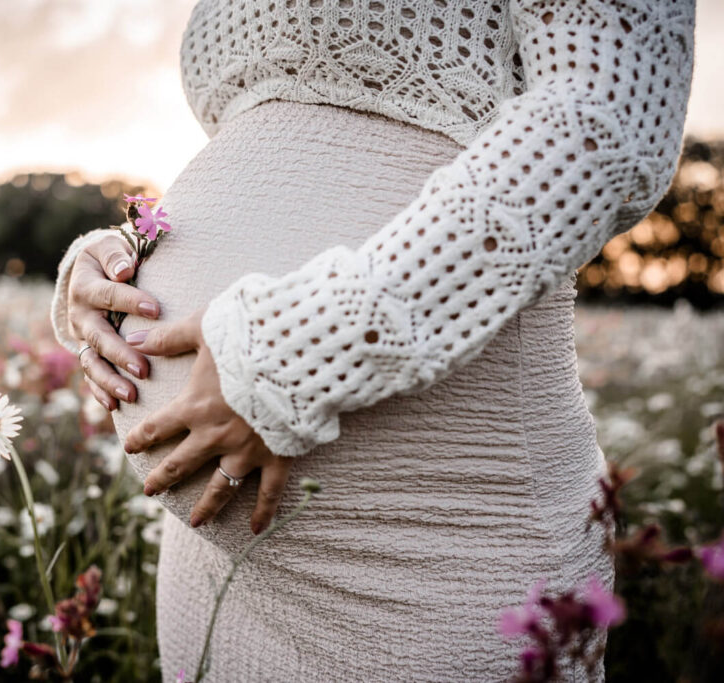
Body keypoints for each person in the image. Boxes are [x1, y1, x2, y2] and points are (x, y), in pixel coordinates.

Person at [49, 1, 696, 680]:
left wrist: (293, 353)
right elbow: (282, 156)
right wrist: (117, 259)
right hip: (217, 563)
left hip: (435, 542)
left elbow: (604, 122)